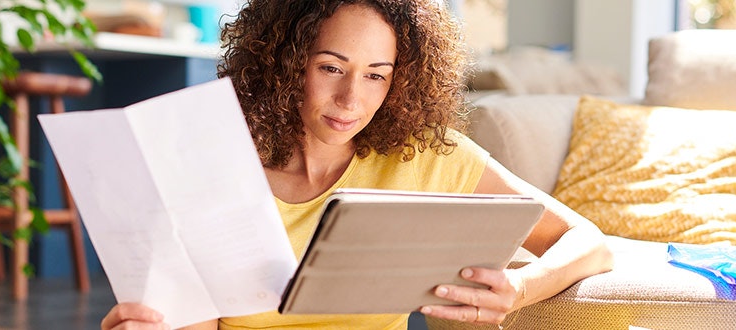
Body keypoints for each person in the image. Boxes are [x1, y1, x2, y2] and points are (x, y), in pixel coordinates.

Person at [102, 0, 613, 329]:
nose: (350, 98)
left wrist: (521, 289)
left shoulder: (429, 156)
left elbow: (588, 242)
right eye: (331, 68)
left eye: (376, 75)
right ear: (284, 61)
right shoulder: (216, 168)